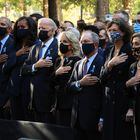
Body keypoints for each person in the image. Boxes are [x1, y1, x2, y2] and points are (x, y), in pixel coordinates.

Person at [100, 18, 135, 140]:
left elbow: (133, 80)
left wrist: (131, 107)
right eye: (109, 30)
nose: (111, 33)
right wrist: (110, 64)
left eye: (114, 30)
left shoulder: (130, 50)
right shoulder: (108, 51)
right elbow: (102, 78)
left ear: (123, 32)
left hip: (123, 101)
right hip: (109, 102)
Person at [21, 18, 58, 123]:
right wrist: (35, 66)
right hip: (34, 98)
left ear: (52, 31)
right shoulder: (35, 47)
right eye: (39, 28)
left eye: (44, 28)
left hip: (50, 98)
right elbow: (23, 69)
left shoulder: (58, 47)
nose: (41, 30)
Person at [68, 30, 104, 140]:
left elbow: (104, 93)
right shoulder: (78, 64)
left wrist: (102, 118)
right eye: (81, 41)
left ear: (95, 44)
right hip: (77, 119)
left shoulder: (102, 62)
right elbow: (69, 87)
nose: (83, 44)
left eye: (86, 41)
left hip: (93, 119)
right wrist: (80, 83)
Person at [5, 16, 37, 120]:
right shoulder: (13, 45)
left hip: (28, 90)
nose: (20, 29)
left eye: (23, 27)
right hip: (14, 90)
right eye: (18, 27)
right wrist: (16, 54)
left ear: (30, 28)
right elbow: (6, 67)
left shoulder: (36, 45)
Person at [53, 30, 81, 126]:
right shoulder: (58, 60)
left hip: (70, 103)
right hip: (58, 103)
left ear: (72, 45)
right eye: (60, 42)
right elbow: (51, 82)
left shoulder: (77, 61)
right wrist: (56, 73)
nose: (61, 44)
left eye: (65, 42)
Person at [126, 33, 140, 140]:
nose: (135, 47)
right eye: (133, 44)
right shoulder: (133, 67)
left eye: (138, 44)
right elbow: (131, 93)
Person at [0, 17, 15, 119]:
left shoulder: (14, 44)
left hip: (5, 93)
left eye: (2, 24)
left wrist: (11, 98)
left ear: (9, 29)